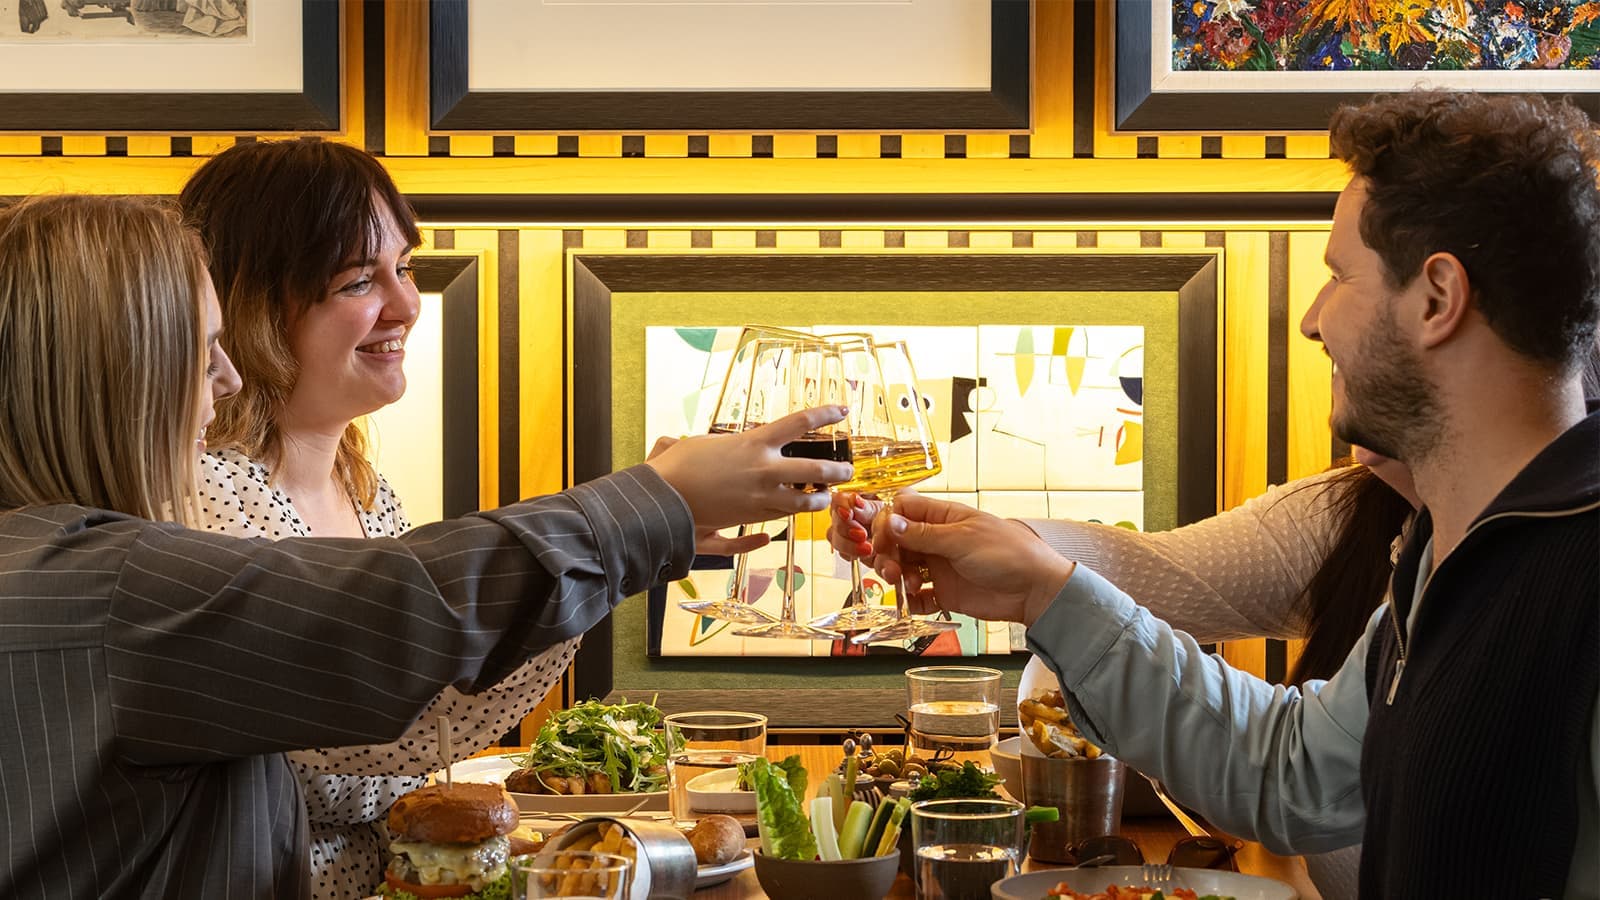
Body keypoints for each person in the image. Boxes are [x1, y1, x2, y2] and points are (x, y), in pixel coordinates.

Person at [848, 91, 1599, 897]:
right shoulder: (1442, 555)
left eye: (1341, 276)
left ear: (1437, 299)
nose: (1314, 321)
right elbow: (1296, 772)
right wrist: (1041, 591)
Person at [0, 194, 851, 898]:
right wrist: (646, 507)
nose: (224, 381)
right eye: (202, 349)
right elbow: (395, 615)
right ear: (120, 372)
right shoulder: (110, 588)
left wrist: (649, 525)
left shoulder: (57, 564)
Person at [177, 140, 605, 899]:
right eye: (357, 281)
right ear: (251, 307)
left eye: (403, 268)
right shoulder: (200, 503)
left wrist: (634, 541)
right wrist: (619, 539)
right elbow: (373, 734)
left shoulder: (369, 491)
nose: (407, 304)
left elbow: (434, 708)